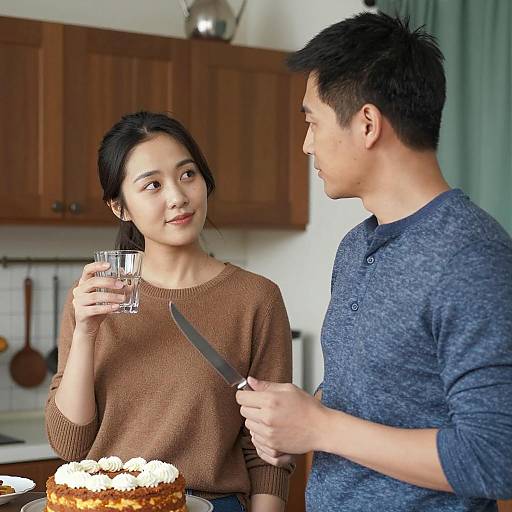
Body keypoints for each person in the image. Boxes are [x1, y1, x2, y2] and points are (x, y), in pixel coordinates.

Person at [236, 12, 512, 512]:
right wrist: (298, 414)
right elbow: (371, 388)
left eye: (311, 122)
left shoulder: (472, 256)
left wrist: (320, 427)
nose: (306, 144)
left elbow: (495, 457)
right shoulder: (355, 247)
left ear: (367, 124)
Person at [45, 111, 293, 512]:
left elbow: (267, 449)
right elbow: (69, 444)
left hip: (211, 504)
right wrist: (86, 332)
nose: (177, 196)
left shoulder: (256, 298)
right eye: (153, 185)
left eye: (187, 175)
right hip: (106, 504)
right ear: (119, 207)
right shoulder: (94, 297)